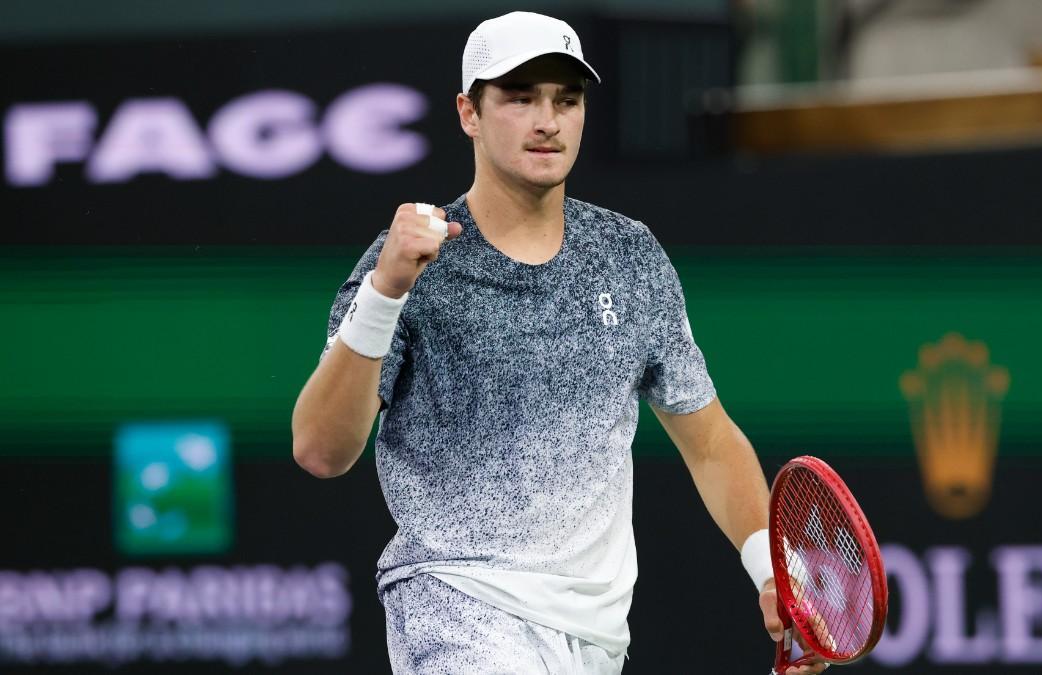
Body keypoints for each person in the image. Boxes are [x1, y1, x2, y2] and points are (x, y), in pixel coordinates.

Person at [291, 11, 827, 675]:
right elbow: (320, 449)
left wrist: (766, 569)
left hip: (595, 636)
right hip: (456, 607)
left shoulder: (630, 255)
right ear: (469, 113)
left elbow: (710, 441)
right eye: (520, 98)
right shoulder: (405, 263)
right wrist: (386, 289)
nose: (547, 120)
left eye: (565, 100)